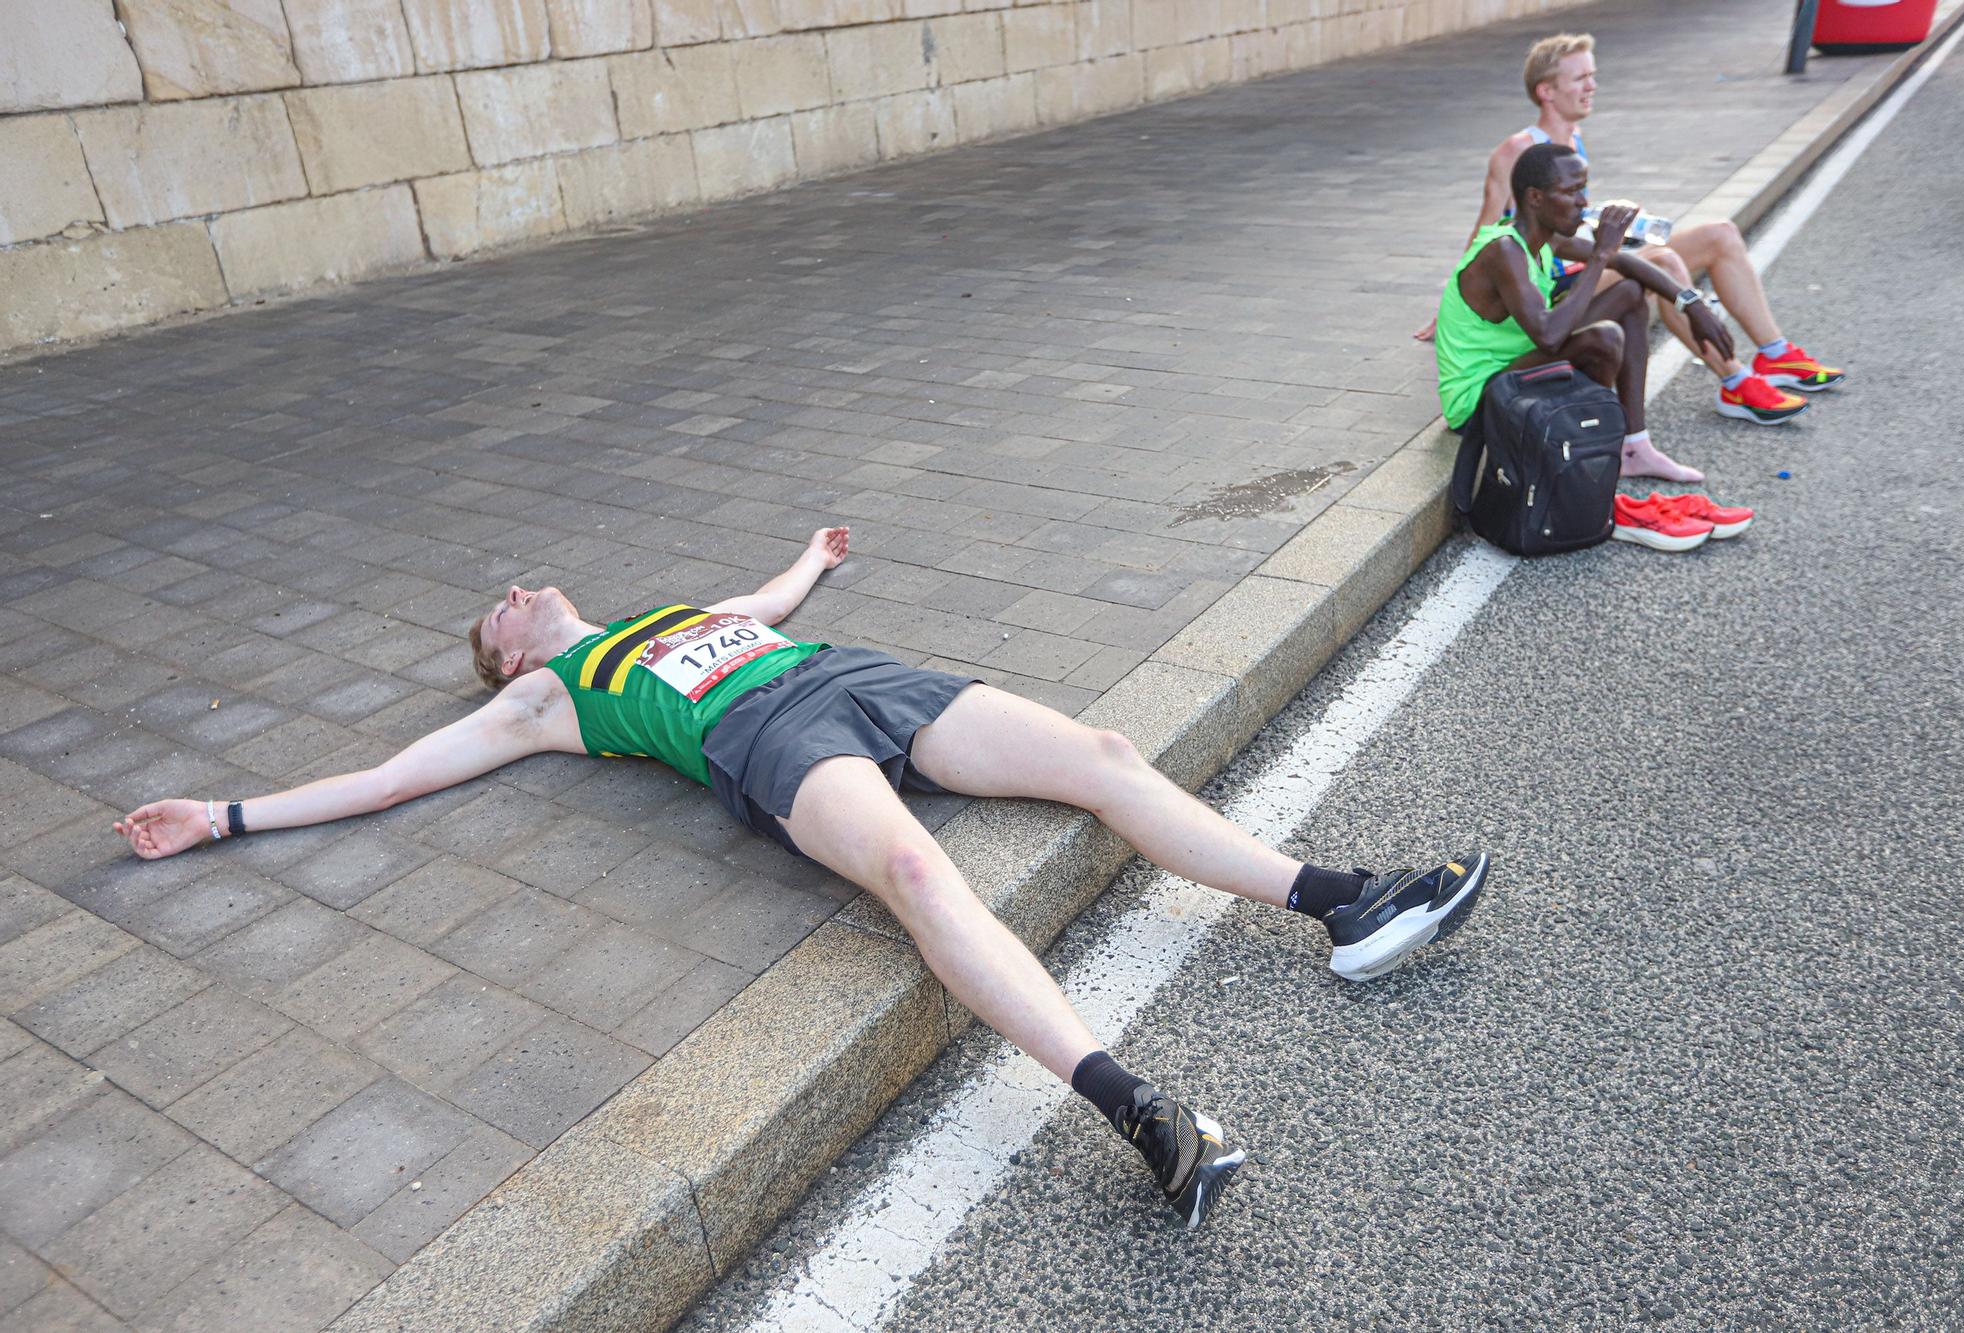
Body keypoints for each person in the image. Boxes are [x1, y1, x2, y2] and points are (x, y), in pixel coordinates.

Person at [113, 525, 1490, 1231]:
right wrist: (227, 813)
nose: (519, 590)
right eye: (500, 611)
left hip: (848, 676)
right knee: (911, 865)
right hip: (765, 739)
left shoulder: (674, 615)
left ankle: (1341, 901)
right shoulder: (549, 699)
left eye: (518, 588)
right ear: (512, 661)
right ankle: (1141, 1113)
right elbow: (393, 775)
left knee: (1106, 750)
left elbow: (770, 608)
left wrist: (810, 561)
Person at [1416, 31, 1844, 430]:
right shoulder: (1519, 152)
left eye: (1593, 76)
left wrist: (1689, 298)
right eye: (1580, 77)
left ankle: (1774, 353)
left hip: (1560, 260)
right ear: (1546, 91)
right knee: (1660, 262)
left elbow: (1569, 233)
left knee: (1721, 233)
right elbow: (1489, 231)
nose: (1591, 85)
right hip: (1547, 284)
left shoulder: (1573, 142)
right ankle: (1734, 378)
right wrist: (1456, 299)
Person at [1436, 141, 1739, 515]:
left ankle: (1633, 446)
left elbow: (1627, 265)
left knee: (1628, 294)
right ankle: (1594, 455)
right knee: (1604, 338)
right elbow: (1548, 338)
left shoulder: (1542, 238)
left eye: (1584, 188)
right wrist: (1599, 255)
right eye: (1571, 191)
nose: (1583, 201)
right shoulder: (1504, 251)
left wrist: (1689, 302)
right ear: (1535, 198)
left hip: (1511, 374)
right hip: (1477, 401)